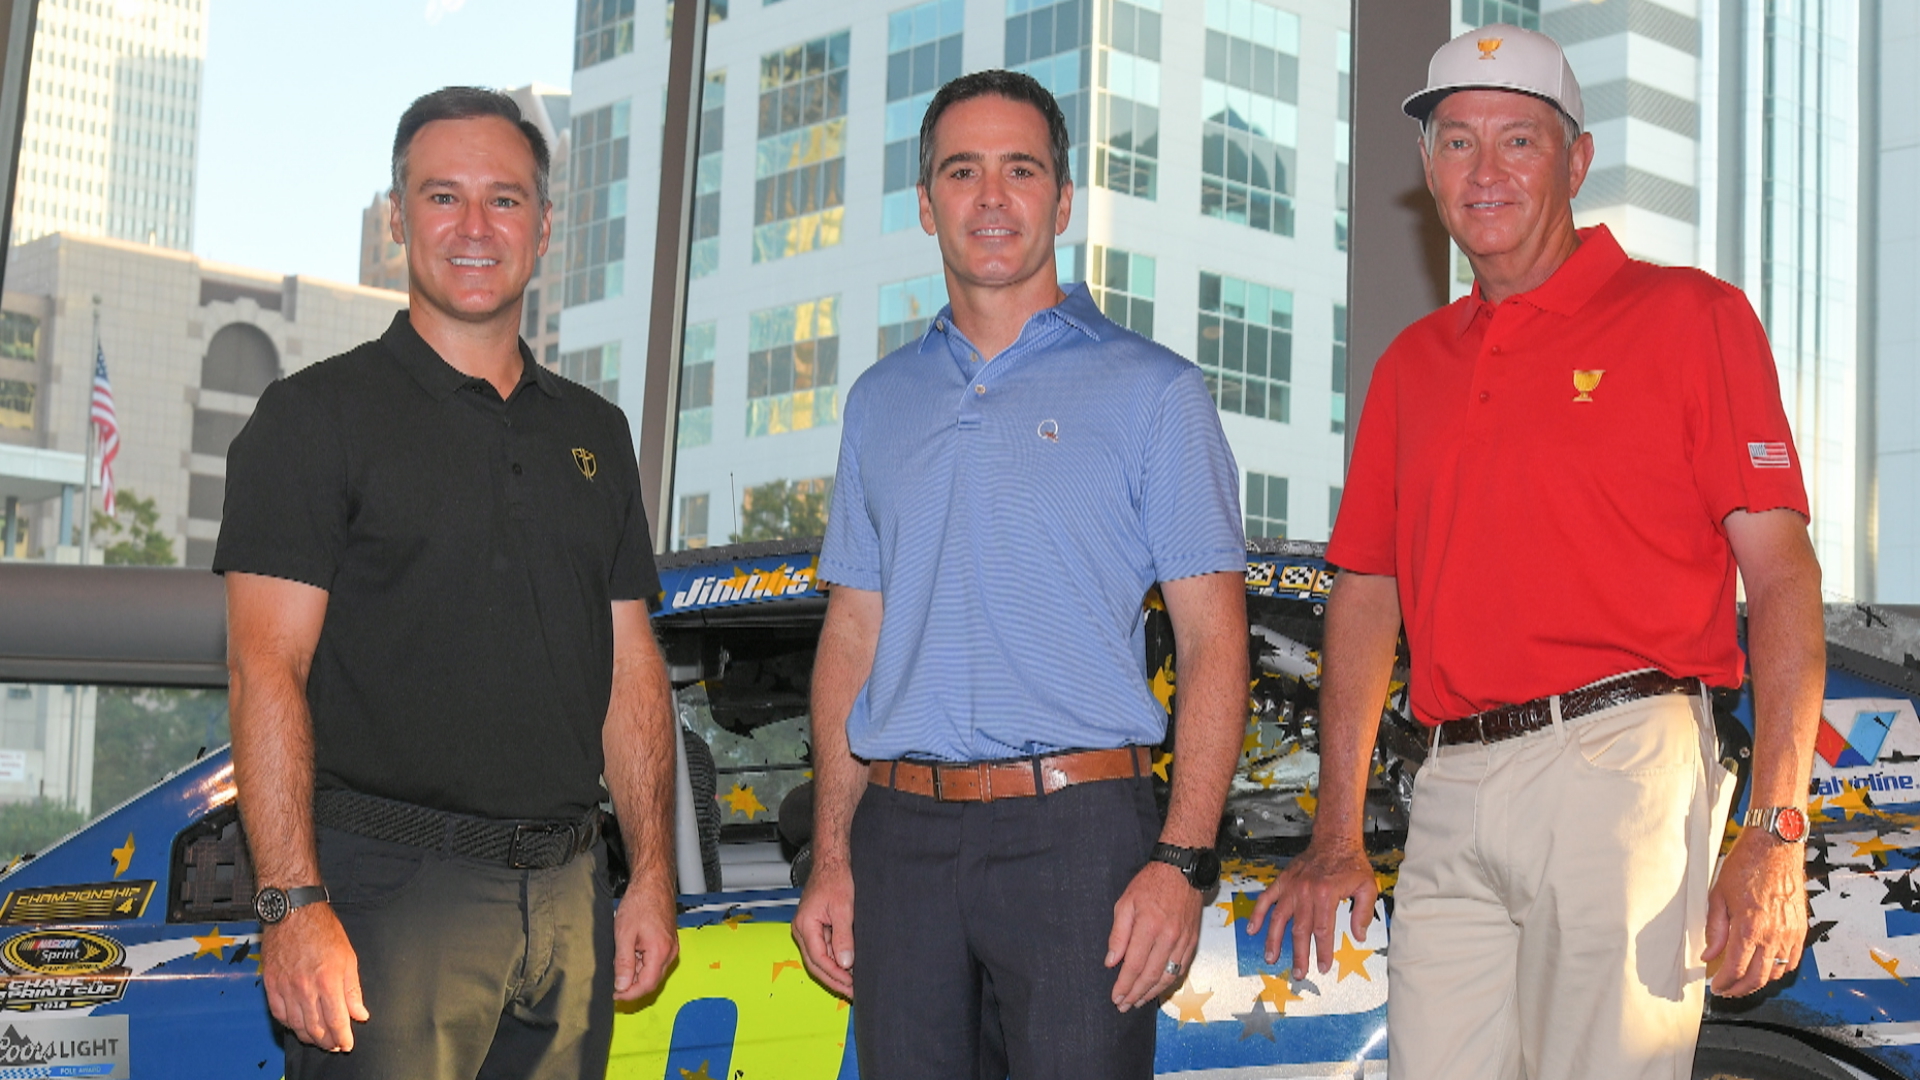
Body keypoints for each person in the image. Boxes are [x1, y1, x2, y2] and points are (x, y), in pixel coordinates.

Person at [1248, 24, 1824, 1080]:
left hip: (1620, 763)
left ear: (1577, 161)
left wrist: (1776, 829)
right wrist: (1337, 832)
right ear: (1428, 172)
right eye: (1457, 143)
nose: (1485, 170)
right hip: (1453, 782)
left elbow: (1784, 578)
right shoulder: (1411, 367)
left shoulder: (1690, 316)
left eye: (1519, 140)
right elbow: (1367, 597)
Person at [790, 70, 1250, 1079]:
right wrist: (834, 854)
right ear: (925, 204)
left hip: (1080, 838)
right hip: (899, 841)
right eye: (963, 171)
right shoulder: (878, 401)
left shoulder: (1156, 391)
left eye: (1020, 169)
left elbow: (1218, 641)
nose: (991, 198)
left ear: (1063, 199)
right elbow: (853, 637)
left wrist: (1180, 861)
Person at [215, 87, 679, 1079]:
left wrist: (650, 880)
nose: (475, 228)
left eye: (504, 200)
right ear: (397, 220)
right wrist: (293, 905)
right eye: (442, 197)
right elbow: (266, 669)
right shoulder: (313, 419)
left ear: (545, 227)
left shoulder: (594, 433)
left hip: (569, 900)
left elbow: (631, 668)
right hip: (388, 892)